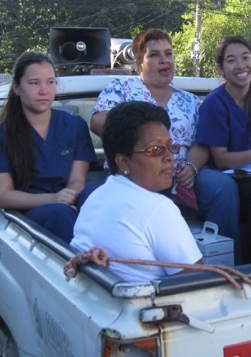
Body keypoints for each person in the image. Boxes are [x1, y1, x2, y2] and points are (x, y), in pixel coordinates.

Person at [89, 28, 240, 259]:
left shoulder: (190, 100)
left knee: (223, 186)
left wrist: (192, 167)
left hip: (181, 171)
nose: (164, 60)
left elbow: (202, 143)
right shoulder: (121, 88)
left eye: (168, 54)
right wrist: (140, 128)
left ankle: (226, 259)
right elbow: (98, 121)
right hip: (137, 170)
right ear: (139, 62)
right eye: (155, 55)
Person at [72, 101, 203, 282]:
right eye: (155, 149)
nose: (170, 157)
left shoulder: (95, 198)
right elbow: (198, 285)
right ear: (123, 162)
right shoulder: (158, 209)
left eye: (170, 147)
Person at [0, 51, 97, 242]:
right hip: (32, 212)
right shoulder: (0, 135)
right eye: (34, 83)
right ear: (17, 88)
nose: (44, 90)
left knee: (98, 195)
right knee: (60, 214)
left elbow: (78, 180)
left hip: (66, 201)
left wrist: (68, 198)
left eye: (50, 82)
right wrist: (52, 199)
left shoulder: (75, 125)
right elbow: (3, 196)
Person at [196, 36, 251, 263]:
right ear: (222, 69)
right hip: (230, 175)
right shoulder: (214, 103)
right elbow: (221, 159)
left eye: (246, 58)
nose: (240, 65)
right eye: (231, 60)